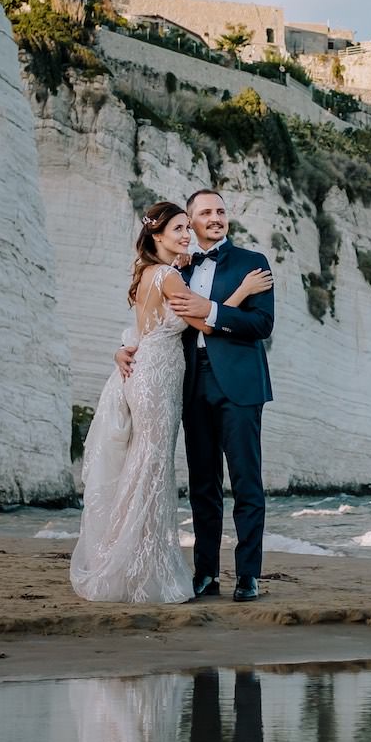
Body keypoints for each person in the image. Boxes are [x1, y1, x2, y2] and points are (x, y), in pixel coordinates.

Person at [72, 201, 271, 603]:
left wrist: (222, 304)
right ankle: (205, 573)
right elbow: (159, 321)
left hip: (236, 385)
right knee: (201, 484)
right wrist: (122, 349)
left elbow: (262, 324)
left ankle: (248, 575)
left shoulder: (252, 263)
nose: (215, 218)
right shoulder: (178, 269)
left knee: (246, 482)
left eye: (221, 211)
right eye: (204, 214)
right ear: (191, 223)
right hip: (186, 384)